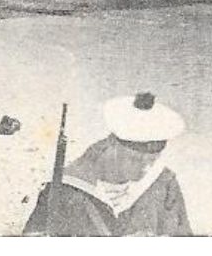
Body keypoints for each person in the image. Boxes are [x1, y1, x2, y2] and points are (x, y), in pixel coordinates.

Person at [23, 92, 191, 236]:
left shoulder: (163, 183)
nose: (145, 168)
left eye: (152, 159)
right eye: (134, 159)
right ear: (112, 144)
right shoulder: (65, 187)